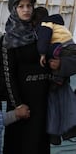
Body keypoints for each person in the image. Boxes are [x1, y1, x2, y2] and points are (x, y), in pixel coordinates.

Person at [1, 0, 51, 154]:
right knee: (22, 147)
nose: (26, 10)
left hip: (42, 98)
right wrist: (17, 104)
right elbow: (8, 75)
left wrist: (55, 64)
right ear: (14, 9)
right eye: (21, 6)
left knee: (40, 145)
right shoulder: (9, 38)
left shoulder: (41, 33)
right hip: (22, 102)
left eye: (29, 5)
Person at [32, 7, 76, 145]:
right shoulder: (58, 28)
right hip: (39, 89)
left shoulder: (44, 29)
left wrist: (61, 64)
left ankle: (58, 134)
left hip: (53, 86)